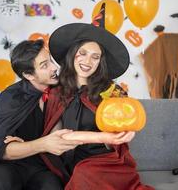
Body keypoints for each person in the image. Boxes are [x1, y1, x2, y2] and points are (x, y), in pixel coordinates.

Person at [41, 23, 154, 190]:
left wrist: (127, 133)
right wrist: (102, 136)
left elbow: (124, 127)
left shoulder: (111, 92)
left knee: (84, 171)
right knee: (67, 174)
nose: (88, 61)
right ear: (73, 55)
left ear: (101, 61)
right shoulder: (57, 92)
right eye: (83, 53)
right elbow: (56, 138)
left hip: (107, 162)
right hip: (69, 163)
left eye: (95, 56)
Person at [0, 39, 83, 190]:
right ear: (29, 75)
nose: (54, 67)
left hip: (44, 167)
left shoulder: (61, 91)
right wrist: (44, 144)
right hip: (12, 166)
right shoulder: (11, 97)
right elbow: (4, 151)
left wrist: (23, 145)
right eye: (45, 65)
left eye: (50, 60)